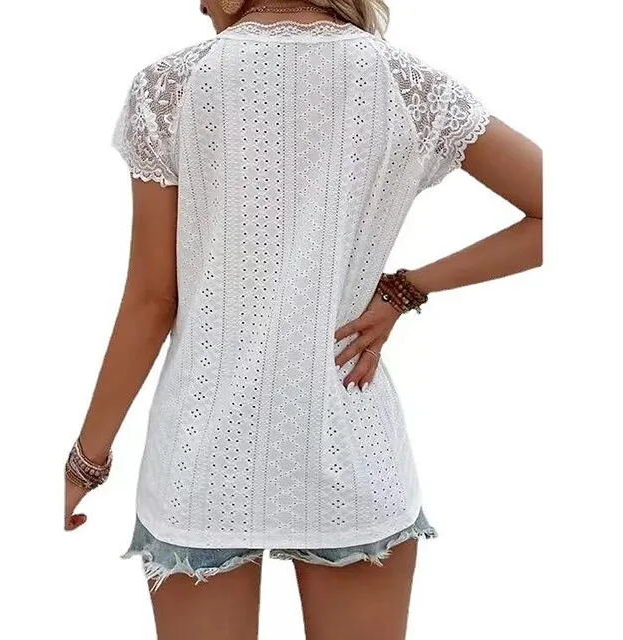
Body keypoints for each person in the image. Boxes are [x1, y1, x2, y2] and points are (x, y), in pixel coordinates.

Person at [63, 1, 543, 638]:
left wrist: (87, 459)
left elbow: (153, 300)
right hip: (351, 443)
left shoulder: (171, 87)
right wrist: (405, 290)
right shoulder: (408, 86)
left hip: (200, 457)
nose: (199, 4)